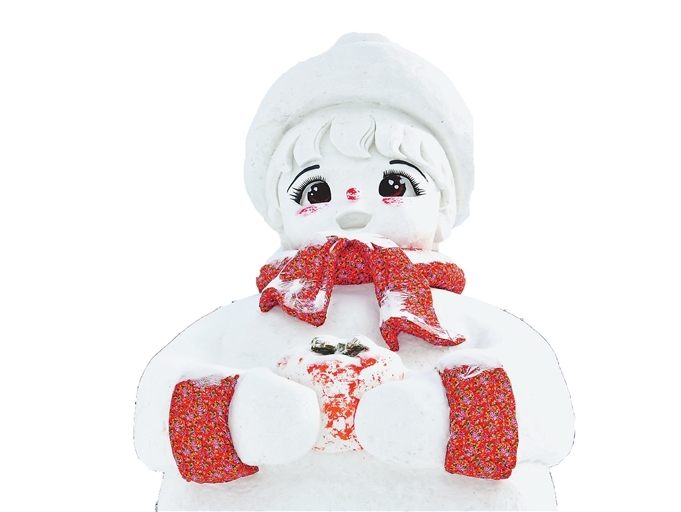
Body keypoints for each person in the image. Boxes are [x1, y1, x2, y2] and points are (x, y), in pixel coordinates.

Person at [134, 33, 574, 511]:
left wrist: (444, 417)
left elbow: (545, 407)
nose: (354, 205)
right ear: (279, 212)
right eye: (316, 191)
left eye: (394, 184)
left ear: (444, 208)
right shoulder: (244, 322)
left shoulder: (463, 321)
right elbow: (155, 414)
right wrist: (237, 416)